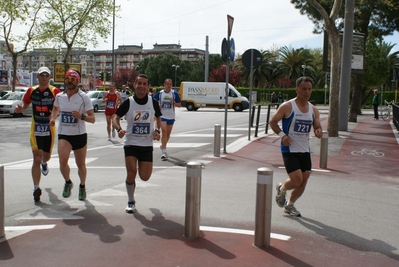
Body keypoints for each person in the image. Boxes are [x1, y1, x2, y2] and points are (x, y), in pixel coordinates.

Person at [269, 76, 323, 217]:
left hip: (305, 149)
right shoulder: (287, 106)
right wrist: (282, 135)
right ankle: (282, 189)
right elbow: (273, 122)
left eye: (309, 89)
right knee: (297, 179)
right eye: (304, 89)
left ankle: (290, 205)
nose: (307, 92)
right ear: (297, 90)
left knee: (304, 180)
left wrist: (318, 131)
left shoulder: (313, 109)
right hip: (289, 148)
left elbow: (317, 126)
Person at [112, 74, 162, 213]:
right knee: (131, 172)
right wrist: (119, 129)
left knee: (145, 177)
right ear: (134, 85)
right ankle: (130, 200)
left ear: (148, 87)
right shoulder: (128, 102)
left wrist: (157, 130)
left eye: (144, 83)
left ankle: (141, 165)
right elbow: (115, 118)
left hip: (146, 144)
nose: (141, 86)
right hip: (131, 142)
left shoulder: (153, 102)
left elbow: (158, 117)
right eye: (139, 83)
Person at [14, 66, 61, 202]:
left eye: (47, 75)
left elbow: (58, 107)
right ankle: (36, 187)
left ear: (50, 77)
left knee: (46, 156)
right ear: (38, 77)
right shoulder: (31, 90)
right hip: (36, 128)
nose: (44, 77)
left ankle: (45, 163)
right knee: (36, 157)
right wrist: (20, 108)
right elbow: (25, 104)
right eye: (42, 75)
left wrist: (52, 117)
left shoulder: (55, 91)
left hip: (49, 129)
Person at [49, 69, 96, 201]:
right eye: (68, 79)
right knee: (62, 162)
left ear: (78, 81)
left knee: (80, 164)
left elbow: (92, 118)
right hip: (64, 134)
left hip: (79, 135)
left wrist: (81, 116)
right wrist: (53, 118)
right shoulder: (59, 97)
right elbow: (56, 109)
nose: (70, 82)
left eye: (73, 79)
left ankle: (82, 186)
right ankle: (68, 182)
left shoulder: (84, 97)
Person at [153, 78, 181, 159]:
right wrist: (158, 106)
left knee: (168, 134)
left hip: (171, 116)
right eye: (167, 84)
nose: (169, 86)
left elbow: (179, 105)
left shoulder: (174, 93)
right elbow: (153, 102)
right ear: (164, 85)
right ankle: (164, 152)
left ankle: (163, 145)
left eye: (170, 84)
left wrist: (173, 102)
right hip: (162, 116)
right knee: (164, 132)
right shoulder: (160, 93)